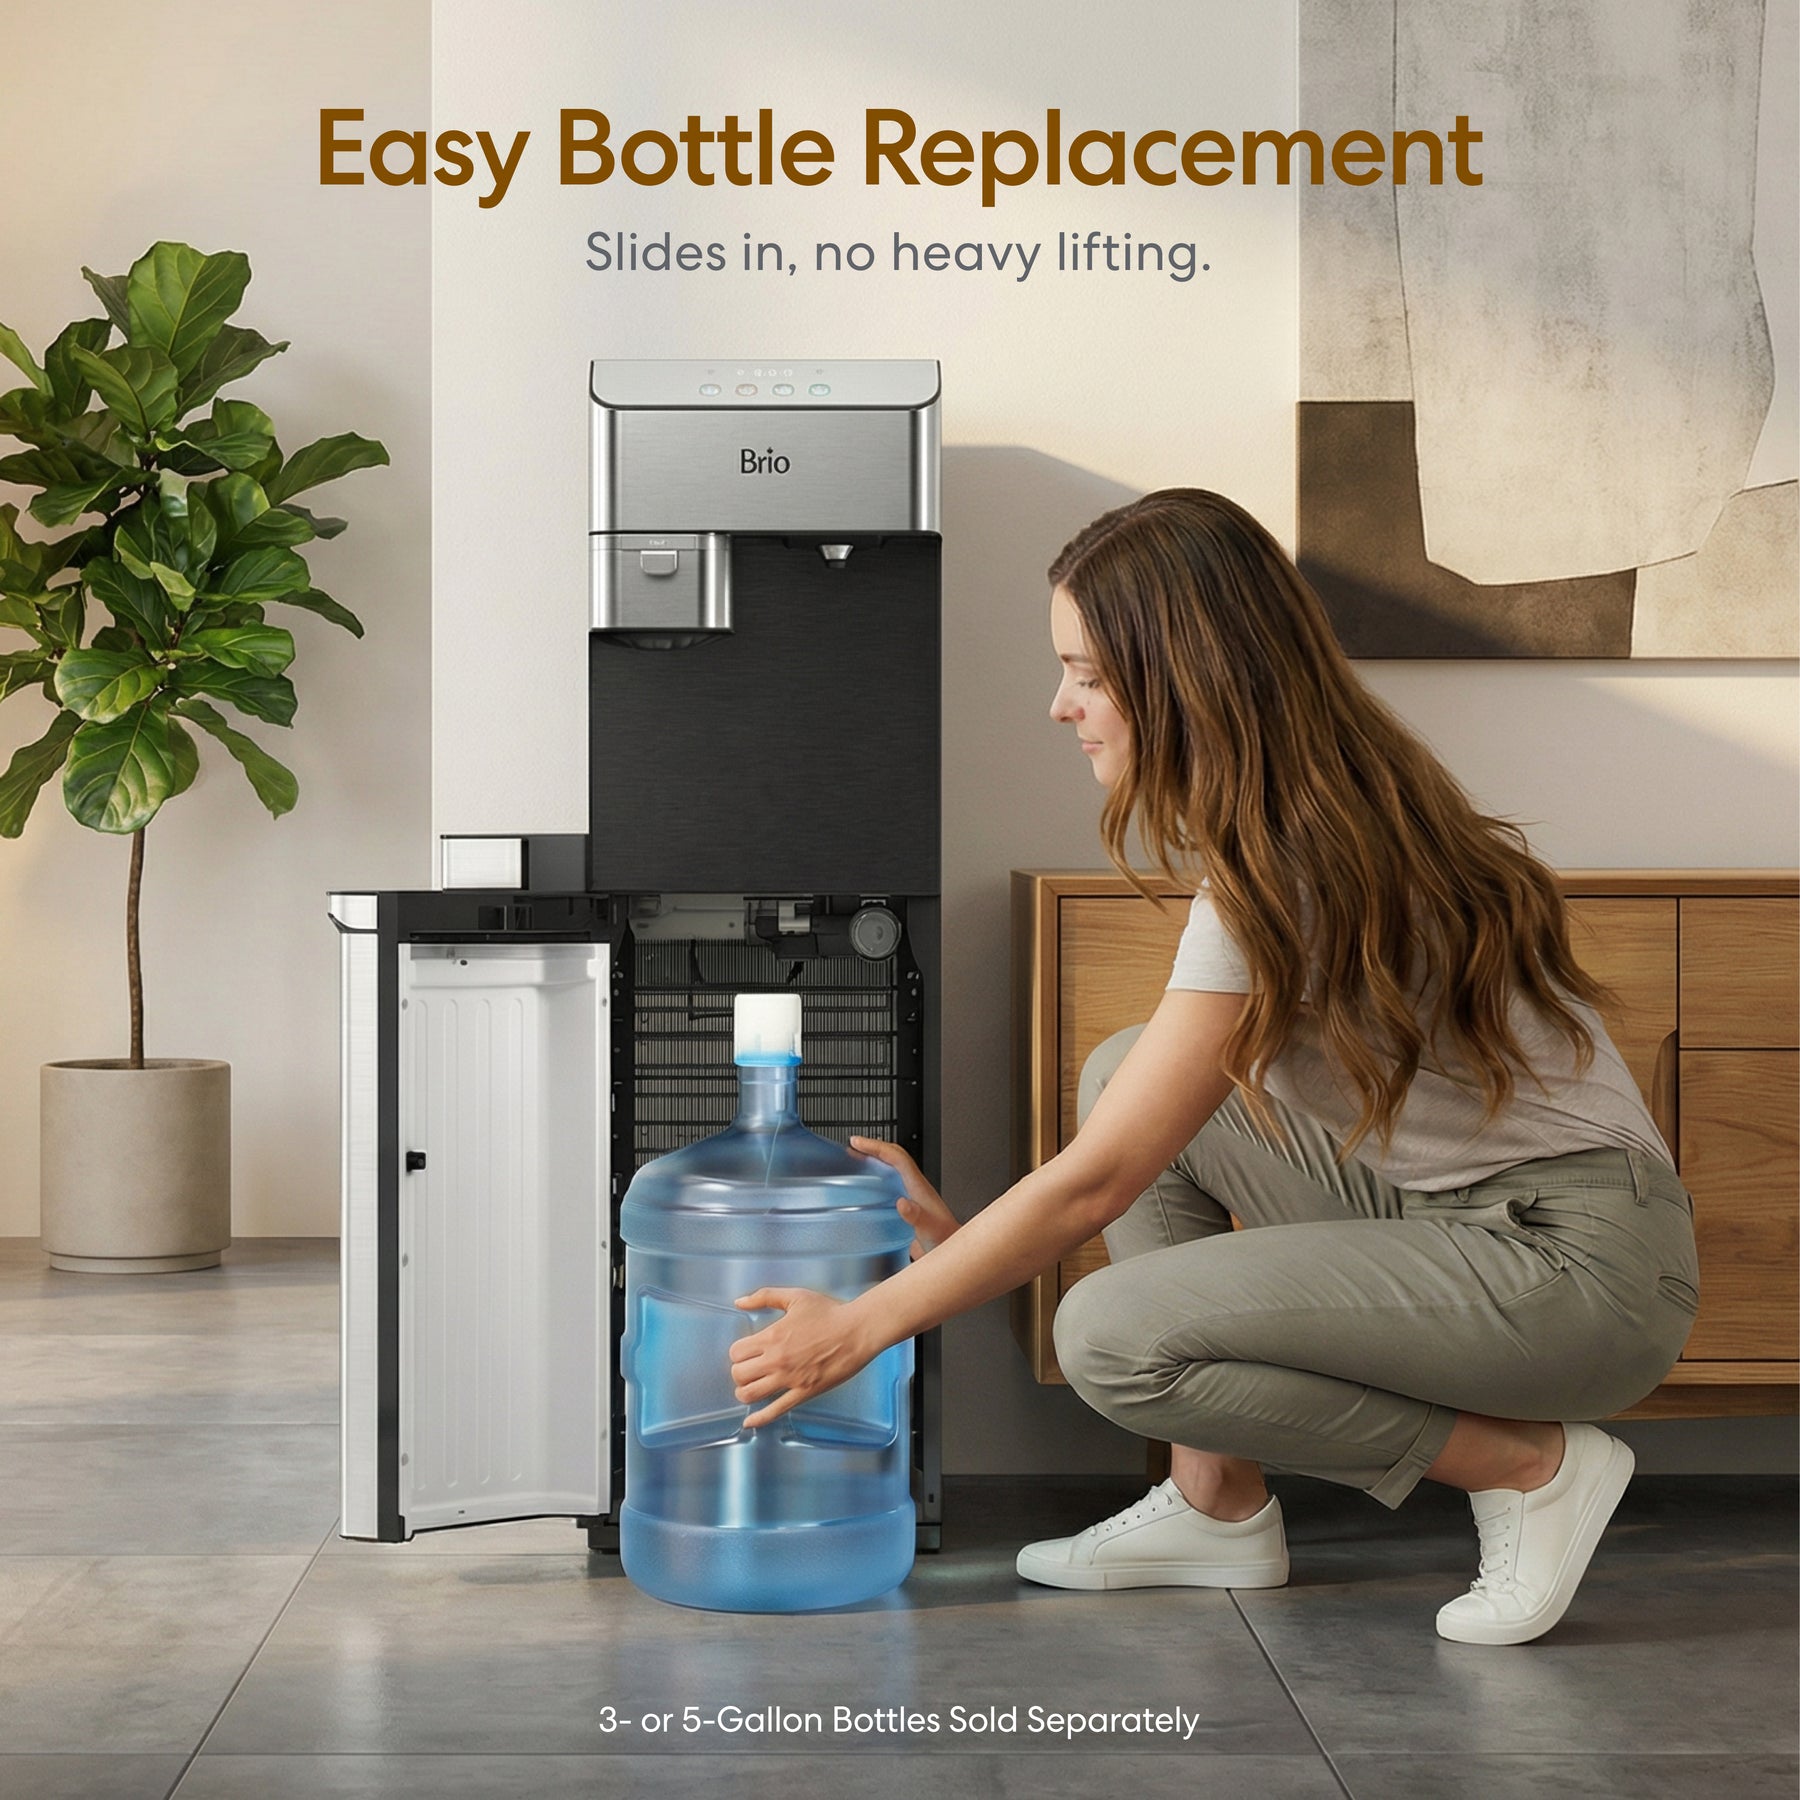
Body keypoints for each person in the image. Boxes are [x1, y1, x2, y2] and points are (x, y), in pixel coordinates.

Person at [729, 487, 1700, 1646]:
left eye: (1086, 673)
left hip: (1583, 1274)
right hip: (1494, 1222)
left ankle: (1531, 1470)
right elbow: (1128, 1144)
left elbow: (1098, 1187)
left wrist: (862, 1325)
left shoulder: (1282, 870)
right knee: (1126, 1070)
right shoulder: (1317, 812)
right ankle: (1215, 1504)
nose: (1059, 705)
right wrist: (957, 1253)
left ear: (1182, 675)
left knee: (1108, 1335)